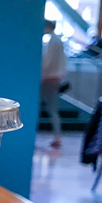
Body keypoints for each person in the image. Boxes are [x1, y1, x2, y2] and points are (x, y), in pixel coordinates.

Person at [40, 19, 67, 149]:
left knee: (51, 108)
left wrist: (42, 74)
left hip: (49, 79)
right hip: (53, 78)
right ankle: (57, 136)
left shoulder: (53, 42)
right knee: (51, 108)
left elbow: (47, 62)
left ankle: (57, 136)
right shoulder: (56, 41)